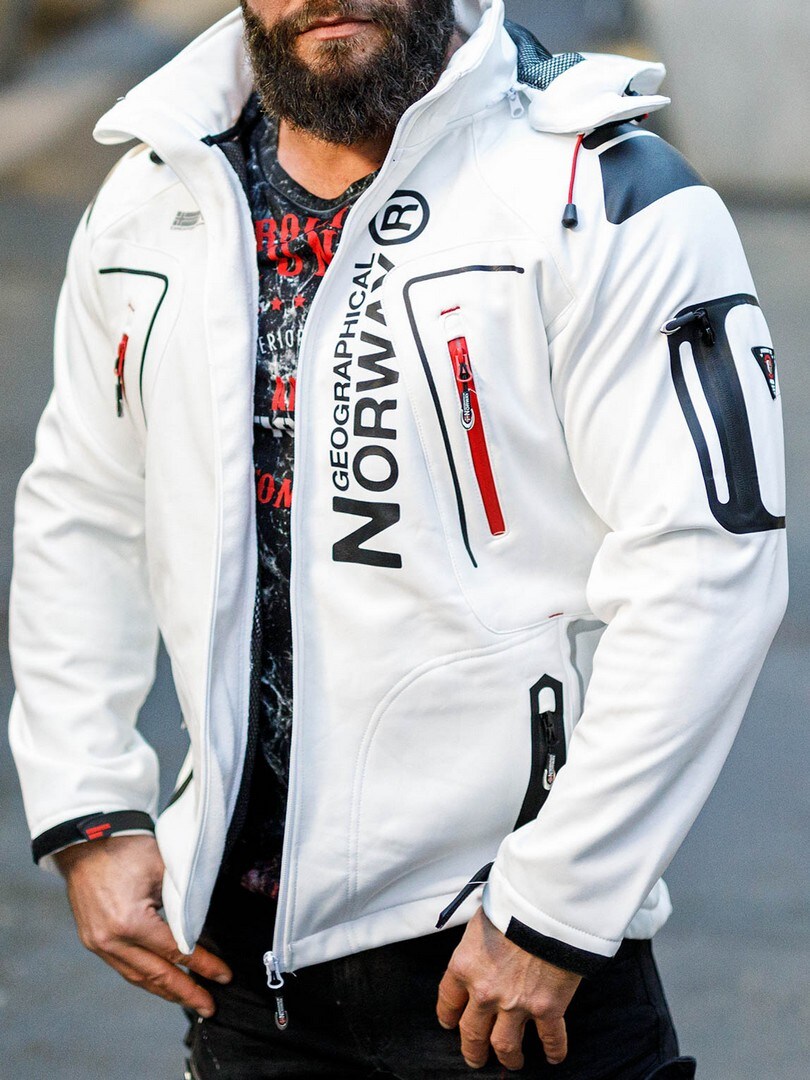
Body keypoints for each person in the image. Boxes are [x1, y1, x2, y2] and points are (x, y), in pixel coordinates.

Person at [9, 1, 787, 1077]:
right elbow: (83, 508)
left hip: (508, 964)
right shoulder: (155, 193)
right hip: (243, 970)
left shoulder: (600, 189)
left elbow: (704, 563)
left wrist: (558, 907)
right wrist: (86, 809)